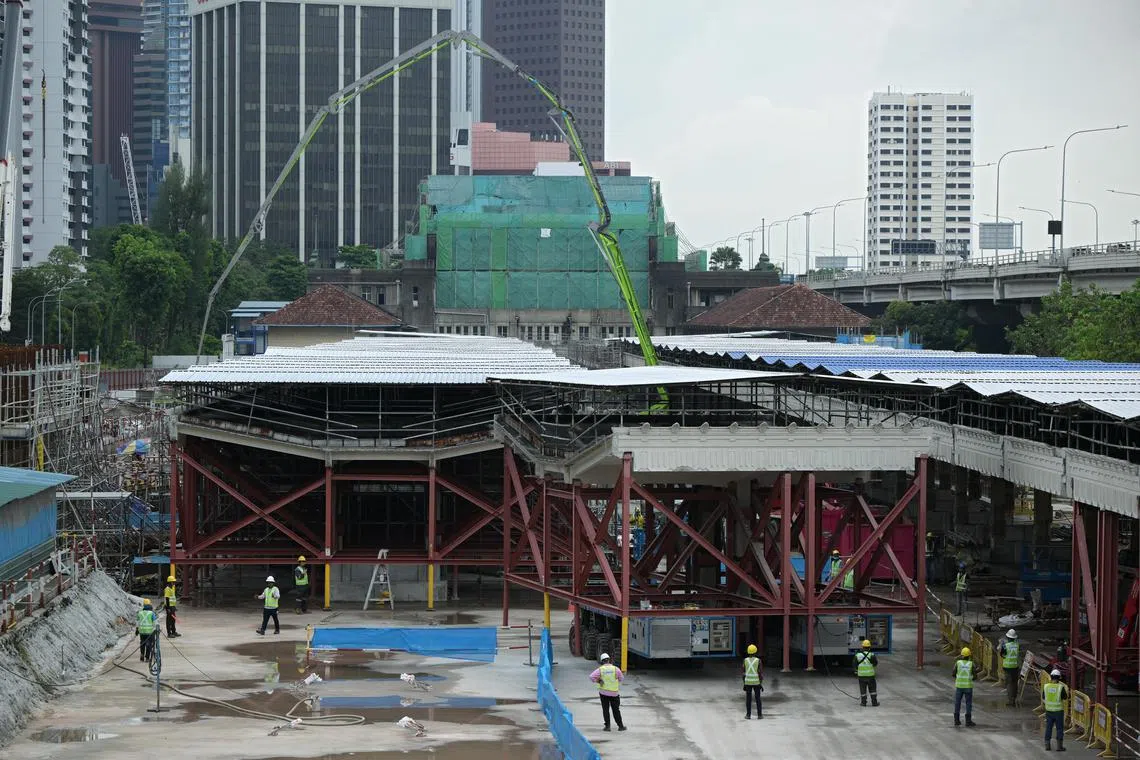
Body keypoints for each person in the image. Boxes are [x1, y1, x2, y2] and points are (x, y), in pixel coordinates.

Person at [588, 652, 626, 732]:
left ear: (602, 661)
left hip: (603, 693)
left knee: (605, 709)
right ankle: (620, 726)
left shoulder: (600, 670)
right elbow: (621, 679)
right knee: (616, 710)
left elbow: (591, 677)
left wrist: (598, 680)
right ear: (609, 660)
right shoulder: (616, 669)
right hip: (614, 693)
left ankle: (607, 727)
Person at [953, 646, 980, 727]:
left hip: (959, 686)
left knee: (957, 703)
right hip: (968, 687)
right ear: (969, 656)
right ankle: (968, 721)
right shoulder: (971, 664)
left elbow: (953, 673)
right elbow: (975, 676)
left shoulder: (958, 663)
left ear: (961, 655)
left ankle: (956, 720)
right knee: (968, 703)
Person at [1043, 669, 1069, 751]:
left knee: (1048, 728)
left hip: (1049, 711)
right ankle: (1059, 746)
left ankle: (1047, 745)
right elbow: (1065, 697)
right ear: (1059, 678)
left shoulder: (1046, 686)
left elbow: (1043, 697)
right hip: (1058, 711)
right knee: (1059, 728)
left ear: (1051, 677)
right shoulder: (1060, 687)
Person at [997, 628, 1021, 706]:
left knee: (1009, 684)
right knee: (1014, 683)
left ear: (1008, 637)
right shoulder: (1017, 645)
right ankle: (1014, 698)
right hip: (1015, 667)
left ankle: (1011, 700)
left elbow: (1002, 654)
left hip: (1008, 667)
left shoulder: (1005, 646)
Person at [853, 639, 879, 707]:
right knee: (873, 689)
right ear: (869, 647)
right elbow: (875, 663)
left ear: (862, 647)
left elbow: (854, 665)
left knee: (862, 689)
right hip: (870, 676)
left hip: (861, 676)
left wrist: (856, 671)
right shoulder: (872, 655)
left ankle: (863, 703)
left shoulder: (857, 655)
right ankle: (874, 702)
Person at [742, 644, 763, 719]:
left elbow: (743, 673)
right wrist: (761, 683)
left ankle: (748, 715)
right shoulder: (758, 661)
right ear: (755, 652)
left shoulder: (745, 660)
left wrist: (744, 683)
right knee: (758, 699)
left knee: (748, 699)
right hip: (756, 683)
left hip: (748, 683)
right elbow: (760, 673)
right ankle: (759, 715)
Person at [136, 598, 157, 662]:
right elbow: (155, 623)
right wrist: (155, 629)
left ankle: (142, 655)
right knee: (149, 644)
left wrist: (137, 629)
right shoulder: (152, 613)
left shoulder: (140, 613)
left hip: (142, 632)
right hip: (149, 632)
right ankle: (147, 658)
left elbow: (137, 622)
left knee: (142, 643)